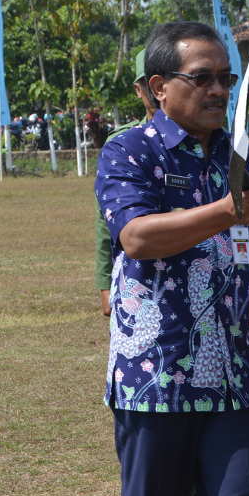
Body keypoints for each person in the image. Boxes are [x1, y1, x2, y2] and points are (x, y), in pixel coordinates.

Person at [94, 21, 249, 496]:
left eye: (225, 79)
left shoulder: (242, 158)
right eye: (201, 78)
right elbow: (136, 237)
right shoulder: (130, 150)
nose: (218, 91)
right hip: (156, 379)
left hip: (237, 377)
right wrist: (227, 210)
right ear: (160, 87)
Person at [96, 49, 156, 317]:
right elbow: (105, 221)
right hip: (135, 274)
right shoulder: (122, 144)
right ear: (138, 90)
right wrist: (104, 282)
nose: (157, 91)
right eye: (148, 83)